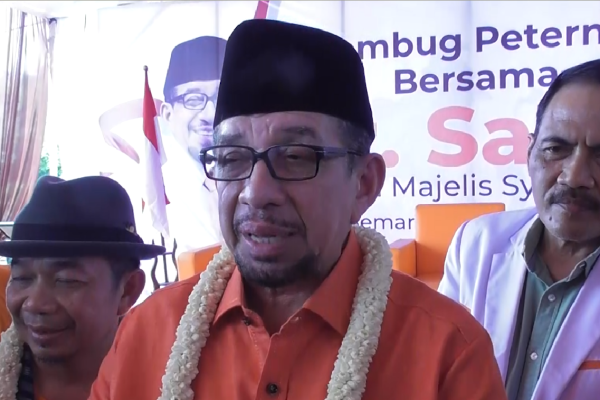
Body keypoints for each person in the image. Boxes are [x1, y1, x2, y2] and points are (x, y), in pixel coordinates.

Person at [88, 19, 506, 400]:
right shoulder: (146, 336)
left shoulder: (447, 353)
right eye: (232, 158)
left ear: (364, 183)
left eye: (295, 156)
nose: (256, 192)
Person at [438, 59, 600, 400]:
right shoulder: (476, 243)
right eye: (555, 149)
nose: (574, 177)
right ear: (529, 152)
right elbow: (435, 371)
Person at [0, 175, 165, 400]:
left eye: (66, 280)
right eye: (21, 278)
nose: (35, 304)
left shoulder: (173, 383)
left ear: (127, 290)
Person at [98, 36, 227, 255]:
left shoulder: (255, 180)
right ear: (167, 113)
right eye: (193, 100)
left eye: (221, 98)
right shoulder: (153, 187)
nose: (210, 114)